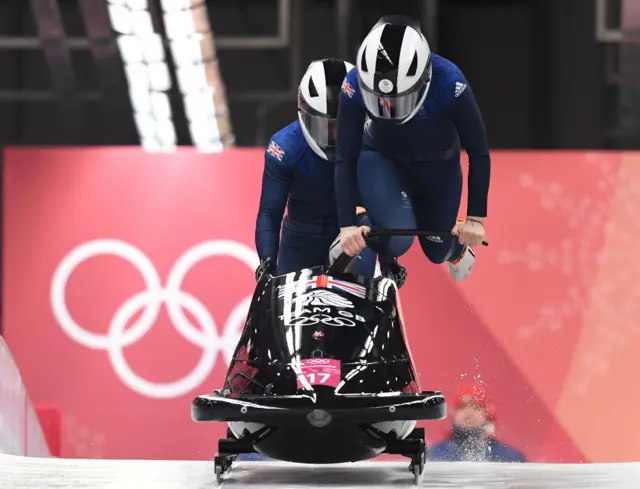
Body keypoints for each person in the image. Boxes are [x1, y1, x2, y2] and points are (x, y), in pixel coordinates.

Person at [333, 15, 490, 281]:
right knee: (396, 238)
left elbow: (478, 150)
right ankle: (379, 246)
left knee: (437, 248)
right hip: (381, 158)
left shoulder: (450, 81)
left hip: (437, 169)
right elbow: (345, 155)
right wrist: (346, 225)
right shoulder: (353, 84)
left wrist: (475, 218)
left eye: (399, 100)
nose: (389, 109)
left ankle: (456, 251)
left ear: (423, 81)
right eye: (379, 100)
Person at [254, 57, 406, 285]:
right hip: (300, 240)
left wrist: (389, 261)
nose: (335, 136)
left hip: (354, 235)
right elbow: (270, 212)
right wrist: (267, 262)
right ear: (303, 113)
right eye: (326, 127)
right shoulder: (285, 148)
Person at [429, 384, 526, 462]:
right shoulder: (433, 454)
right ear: (453, 414)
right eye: (462, 407)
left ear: (487, 415)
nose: (468, 412)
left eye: (475, 407)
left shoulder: (510, 458)